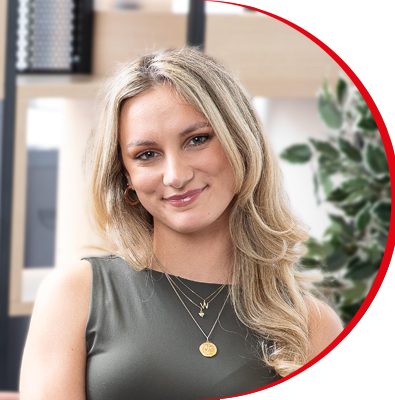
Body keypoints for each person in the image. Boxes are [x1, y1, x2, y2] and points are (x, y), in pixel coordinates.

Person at [20, 47, 343, 399]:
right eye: (147, 155)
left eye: (197, 140)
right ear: (125, 177)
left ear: (241, 143)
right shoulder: (77, 293)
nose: (175, 175)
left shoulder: (311, 324)